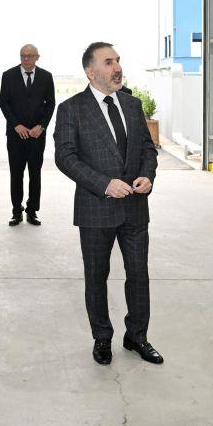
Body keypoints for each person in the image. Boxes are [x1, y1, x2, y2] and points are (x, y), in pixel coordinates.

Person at [54, 42, 161, 366]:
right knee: (96, 277)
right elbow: (65, 157)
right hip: (95, 208)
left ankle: (137, 336)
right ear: (91, 72)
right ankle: (102, 337)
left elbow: (148, 148)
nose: (117, 68)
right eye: (109, 62)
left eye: (118, 61)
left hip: (135, 208)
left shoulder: (132, 104)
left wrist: (147, 175)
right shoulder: (72, 109)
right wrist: (104, 184)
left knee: (138, 275)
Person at [0, 44, 56, 226]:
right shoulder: (8, 75)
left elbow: (51, 104)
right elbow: (4, 103)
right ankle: (17, 211)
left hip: (37, 136)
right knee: (16, 174)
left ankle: (32, 211)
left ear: (37, 57)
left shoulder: (46, 77)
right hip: (15, 135)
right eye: (23, 55)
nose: (26, 59)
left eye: (30, 56)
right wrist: (16, 125)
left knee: (35, 174)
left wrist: (42, 126)